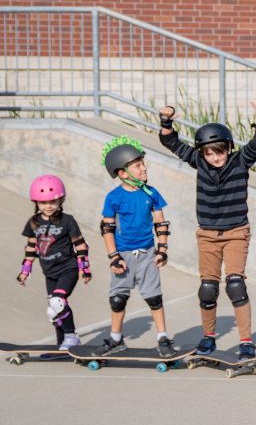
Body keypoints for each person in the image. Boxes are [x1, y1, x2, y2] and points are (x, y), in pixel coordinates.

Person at [158, 100, 256, 361]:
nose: (215, 158)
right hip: (207, 235)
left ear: (229, 148)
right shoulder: (198, 161)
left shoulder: (241, 161)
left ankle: (246, 342)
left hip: (236, 233)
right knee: (208, 288)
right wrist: (166, 121)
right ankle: (208, 338)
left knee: (235, 286)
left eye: (220, 152)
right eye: (209, 154)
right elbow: (171, 143)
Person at [98, 136, 177, 357]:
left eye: (143, 163)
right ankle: (116, 339)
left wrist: (162, 250)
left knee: (154, 297)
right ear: (122, 173)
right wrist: (113, 256)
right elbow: (107, 229)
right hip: (123, 255)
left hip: (148, 254)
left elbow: (161, 224)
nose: (144, 168)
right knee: (117, 299)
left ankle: (162, 337)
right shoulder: (113, 197)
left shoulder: (151, 193)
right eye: (138, 165)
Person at [17, 175, 92, 356]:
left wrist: (84, 268)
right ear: (36, 203)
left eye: (52, 201)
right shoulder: (34, 222)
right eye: (43, 203)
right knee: (52, 310)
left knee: (58, 301)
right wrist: (25, 270)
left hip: (68, 268)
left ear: (61, 200)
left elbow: (80, 244)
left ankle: (71, 336)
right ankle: (62, 344)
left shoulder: (67, 220)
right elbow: (31, 247)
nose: (48, 206)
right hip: (49, 273)